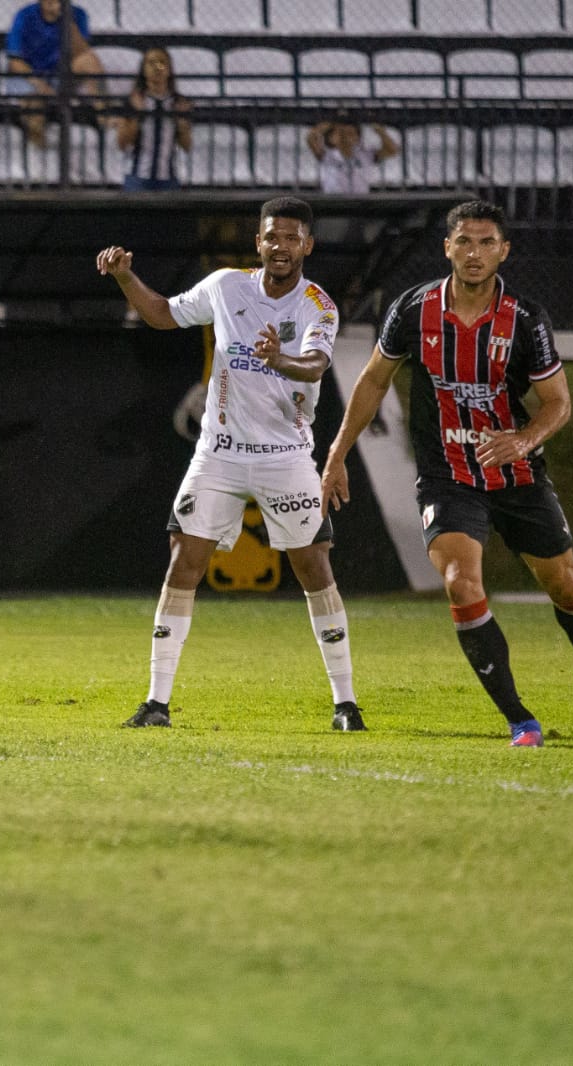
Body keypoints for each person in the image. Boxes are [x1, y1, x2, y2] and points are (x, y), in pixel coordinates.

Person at [321, 200, 573, 748]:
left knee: (565, 586)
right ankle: (520, 719)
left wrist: (523, 440)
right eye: (464, 241)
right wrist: (337, 453)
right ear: (447, 247)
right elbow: (371, 381)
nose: (474, 253)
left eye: (487, 243)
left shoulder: (525, 319)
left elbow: (558, 402)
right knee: (460, 583)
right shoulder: (414, 309)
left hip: (517, 477)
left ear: (504, 251)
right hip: (447, 475)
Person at [96, 196, 367, 733]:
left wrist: (279, 359)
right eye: (272, 236)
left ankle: (345, 704)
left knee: (314, 569)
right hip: (218, 453)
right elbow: (162, 314)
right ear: (258, 242)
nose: (280, 246)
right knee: (183, 563)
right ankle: (156, 703)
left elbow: (314, 367)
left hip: (285, 456)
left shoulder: (318, 305)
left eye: (292, 238)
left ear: (307, 246)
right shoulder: (226, 286)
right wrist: (127, 278)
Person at [4, 0, 106, 145]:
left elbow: (82, 53)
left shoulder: (78, 14)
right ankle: (39, 152)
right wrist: (40, 85)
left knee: (89, 60)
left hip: (62, 74)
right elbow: (14, 61)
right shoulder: (24, 16)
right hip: (29, 76)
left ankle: (104, 115)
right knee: (34, 105)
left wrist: (68, 23)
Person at [114, 47, 192, 191]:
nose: (157, 68)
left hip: (168, 178)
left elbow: (186, 146)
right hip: (138, 177)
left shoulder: (178, 103)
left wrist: (181, 122)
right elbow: (122, 143)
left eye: (162, 63)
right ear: (143, 69)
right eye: (151, 63)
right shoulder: (132, 101)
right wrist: (138, 115)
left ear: (169, 70)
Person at [306, 113, 399, 195]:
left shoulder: (365, 154)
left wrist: (380, 131)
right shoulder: (327, 154)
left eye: (350, 133)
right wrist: (326, 125)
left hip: (360, 201)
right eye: (341, 133)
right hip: (333, 201)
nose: (345, 137)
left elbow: (392, 150)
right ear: (330, 139)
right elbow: (311, 139)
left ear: (358, 138)